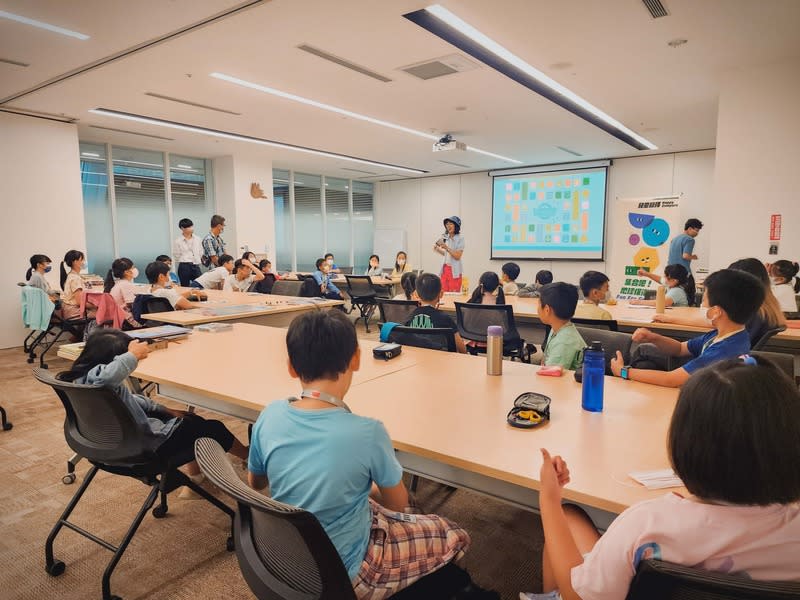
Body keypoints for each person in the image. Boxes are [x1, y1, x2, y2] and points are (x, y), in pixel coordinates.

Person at [524, 356, 800, 600]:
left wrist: (549, 499)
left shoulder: (648, 524)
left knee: (567, 515)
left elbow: (577, 595)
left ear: (686, 442)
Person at [247, 310, 476, 599]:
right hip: (349, 571)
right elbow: (398, 503)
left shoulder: (270, 415)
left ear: (292, 367)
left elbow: (255, 483)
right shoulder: (367, 432)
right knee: (453, 533)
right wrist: (369, 485)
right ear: (356, 358)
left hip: (287, 556)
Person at [68, 329, 249, 494]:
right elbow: (104, 379)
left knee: (190, 421)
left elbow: (131, 399)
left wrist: (165, 409)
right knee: (213, 428)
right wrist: (132, 355)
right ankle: (249, 459)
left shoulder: (79, 380)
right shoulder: (99, 381)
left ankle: (195, 477)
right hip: (142, 452)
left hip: (102, 451)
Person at [610, 269, 765, 388]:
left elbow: (671, 379)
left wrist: (623, 372)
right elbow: (680, 349)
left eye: (704, 300)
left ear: (716, 311)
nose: (701, 305)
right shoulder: (725, 335)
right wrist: (653, 337)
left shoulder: (724, 350)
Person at [652, 258, 785, 348]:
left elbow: (713, 322)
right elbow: (712, 321)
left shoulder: (751, 313)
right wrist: (670, 319)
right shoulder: (765, 309)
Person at [405, 273, 466, 353]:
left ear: (416, 294)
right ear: (441, 294)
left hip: (417, 360)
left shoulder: (410, 317)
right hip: (442, 362)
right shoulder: (446, 319)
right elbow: (461, 348)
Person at [539, 282, 585, 371]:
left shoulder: (564, 342)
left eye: (538, 303)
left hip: (563, 383)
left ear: (547, 310)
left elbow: (551, 376)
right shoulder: (558, 328)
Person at [667, 218, 703, 302]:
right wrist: (694, 257)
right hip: (684, 274)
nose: (697, 233)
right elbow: (685, 256)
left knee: (672, 298)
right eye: (696, 230)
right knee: (689, 299)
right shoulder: (690, 240)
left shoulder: (674, 239)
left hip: (671, 274)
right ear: (689, 228)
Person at [105, 258, 142, 329]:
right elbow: (132, 304)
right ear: (126, 272)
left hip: (119, 319)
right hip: (126, 320)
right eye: (133, 267)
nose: (135, 270)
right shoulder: (126, 285)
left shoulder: (118, 284)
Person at [434, 216, 465, 292]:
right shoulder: (446, 237)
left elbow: (457, 256)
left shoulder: (460, 238)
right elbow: (447, 255)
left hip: (454, 271)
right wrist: (438, 249)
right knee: (443, 294)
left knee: (453, 295)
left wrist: (446, 248)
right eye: (447, 224)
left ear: (456, 226)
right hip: (445, 269)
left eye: (451, 224)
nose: (448, 226)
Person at [172, 218, 203, 286]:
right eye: (189, 227)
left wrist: (197, 259)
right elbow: (176, 254)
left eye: (192, 226)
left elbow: (200, 251)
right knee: (184, 286)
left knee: (200, 284)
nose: (191, 228)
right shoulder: (178, 241)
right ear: (182, 228)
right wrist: (185, 259)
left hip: (195, 264)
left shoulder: (198, 239)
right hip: (184, 265)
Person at [60, 250, 87, 319]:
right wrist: (95, 306)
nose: (84, 262)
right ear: (75, 262)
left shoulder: (71, 275)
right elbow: (80, 302)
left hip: (69, 311)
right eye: (82, 260)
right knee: (102, 311)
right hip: (74, 313)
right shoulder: (75, 279)